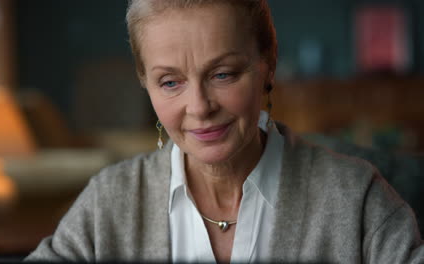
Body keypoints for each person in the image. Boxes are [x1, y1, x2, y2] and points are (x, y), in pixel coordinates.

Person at [25, 0, 424, 262]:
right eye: (169, 82)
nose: (199, 107)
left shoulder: (357, 198)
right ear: (143, 80)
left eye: (223, 74)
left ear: (268, 64)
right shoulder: (108, 202)